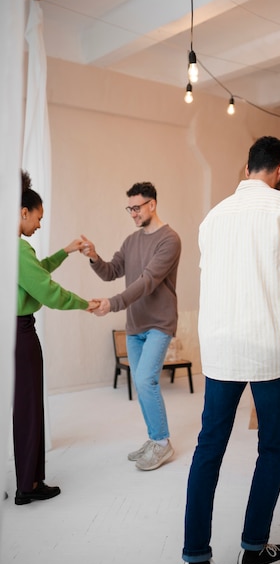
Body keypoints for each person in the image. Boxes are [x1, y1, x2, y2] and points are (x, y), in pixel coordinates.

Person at [179, 136, 280, 564]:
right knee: (272, 448)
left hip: (221, 347)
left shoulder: (213, 216)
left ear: (248, 168)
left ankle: (195, 561)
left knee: (209, 449)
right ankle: (252, 550)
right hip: (268, 348)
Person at [81, 181, 181, 472]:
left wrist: (111, 304)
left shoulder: (169, 240)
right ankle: (154, 439)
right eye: (130, 208)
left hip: (159, 323)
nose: (133, 213)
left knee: (147, 380)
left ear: (152, 204)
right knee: (140, 383)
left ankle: (162, 443)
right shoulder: (131, 241)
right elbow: (111, 271)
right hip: (135, 325)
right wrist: (94, 257)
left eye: (137, 207)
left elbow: (147, 282)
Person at [15, 171, 98, 506]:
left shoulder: (16, 249)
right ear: (24, 212)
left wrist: (66, 250)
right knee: (29, 409)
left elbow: (37, 271)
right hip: (20, 336)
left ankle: (28, 481)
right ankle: (28, 485)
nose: (38, 224)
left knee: (24, 408)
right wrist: (86, 304)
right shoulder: (17, 248)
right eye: (38, 217)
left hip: (12, 334)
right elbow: (48, 292)